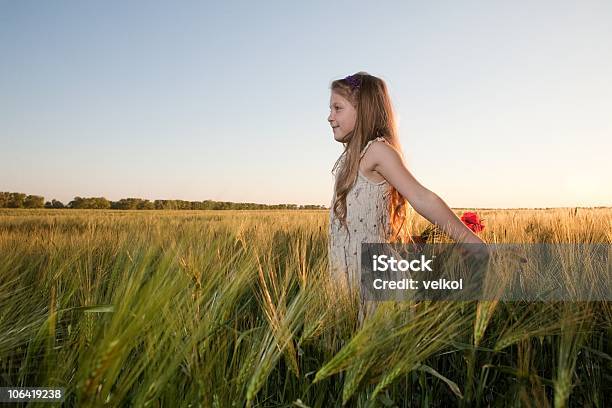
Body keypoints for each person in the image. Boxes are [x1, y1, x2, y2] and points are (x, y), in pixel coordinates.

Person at [327, 71, 486, 326]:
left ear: (363, 110)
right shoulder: (350, 159)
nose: (330, 116)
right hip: (347, 275)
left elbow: (421, 197)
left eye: (337, 108)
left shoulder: (377, 151)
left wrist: (469, 239)